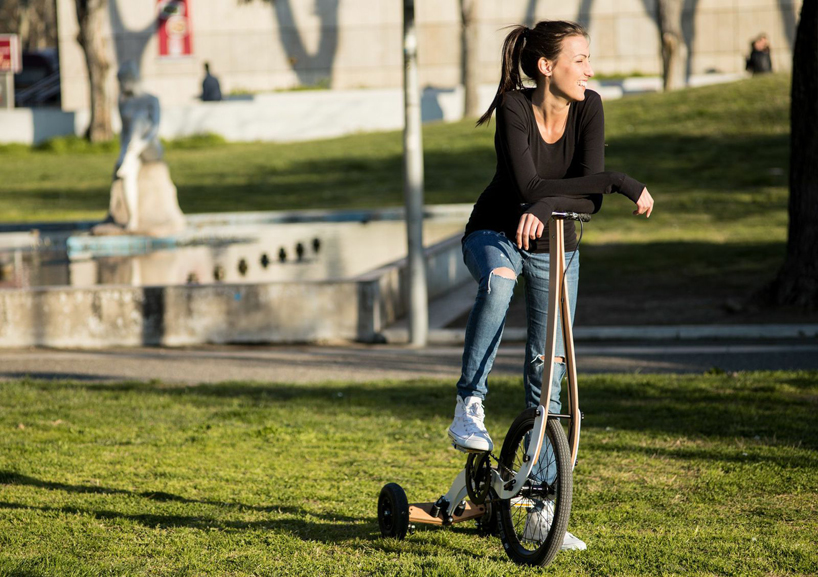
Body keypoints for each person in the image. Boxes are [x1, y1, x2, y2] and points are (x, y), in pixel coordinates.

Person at [446, 20, 654, 550]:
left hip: (556, 245)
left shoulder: (590, 105)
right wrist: (615, 180)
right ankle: (469, 403)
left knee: (550, 374)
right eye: (579, 59)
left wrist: (555, 201)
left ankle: (541, 511)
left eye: (588, 59)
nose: (589, 69)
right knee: (498, 279)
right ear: (546, 67)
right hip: (495, 232)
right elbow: (533, 185)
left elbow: (586, 203)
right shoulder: (514, 108)